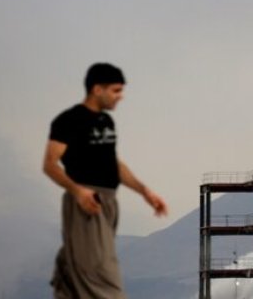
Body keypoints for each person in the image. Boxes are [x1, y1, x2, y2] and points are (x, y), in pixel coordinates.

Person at [43, 63, 168, 298]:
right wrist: (79, 192)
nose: (120, 97)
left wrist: (144, 192)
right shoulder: (69, 120)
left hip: (108, 201)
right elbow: (50, 164)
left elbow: (115, 164)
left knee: (76, 270)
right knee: (102, 276)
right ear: (97, 89)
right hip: (88, 202)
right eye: (116, 90)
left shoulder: (106, 122)